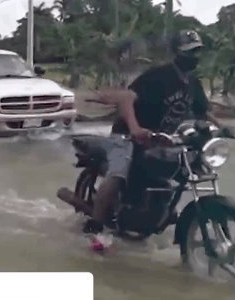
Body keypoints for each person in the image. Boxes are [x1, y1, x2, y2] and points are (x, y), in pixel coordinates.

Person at [85, 30, 225, 250]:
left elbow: (202, 112)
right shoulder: (158, 76)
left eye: (198, 51)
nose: (195, 56)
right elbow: (125, 98)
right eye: (189, 52)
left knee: (187, 170)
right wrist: (135, 128)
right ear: (176, 53)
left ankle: (159, 211)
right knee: (117, 176)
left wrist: (221, 128)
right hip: (127, 135)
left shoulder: (193, 83)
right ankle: (95, 225)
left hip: (161, 140)